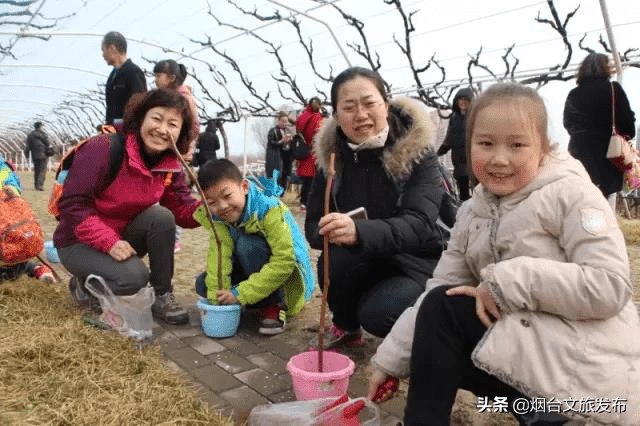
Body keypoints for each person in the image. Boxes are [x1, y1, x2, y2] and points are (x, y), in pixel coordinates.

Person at [368, 83, 640, 425]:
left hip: (590, 368)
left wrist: (507, 280)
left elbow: (610, 286)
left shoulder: (572, 194)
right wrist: (389, 362)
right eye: (485, 143)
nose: (499, 158)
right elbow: (438, 293)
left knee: (446, 311)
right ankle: (535, 413)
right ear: (468, 147)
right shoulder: (472, 212)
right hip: (535, 352)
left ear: (542, 149)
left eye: (517, 145)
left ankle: (553, 414)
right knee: (441, 308)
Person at [304, 67, 449, 347]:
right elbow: (312, 225)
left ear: (386, 104)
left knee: (380, 314)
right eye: (349, 107)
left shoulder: (417, 153)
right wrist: (327, 230)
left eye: (369, 103)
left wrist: (359, 232)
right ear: (336, 115)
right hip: (365, 258)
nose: (361, 115)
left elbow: (419, 224)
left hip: (414, 261)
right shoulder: (332, 161)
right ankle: (346, 327)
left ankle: (423, 339)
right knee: (330, 263)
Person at [53, 88, 202, 325]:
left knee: (162, 217)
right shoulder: (104, 148)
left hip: (119, 236)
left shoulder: (169, 165)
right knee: (134, 277)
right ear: (141, 117)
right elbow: (73, 205)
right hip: (78, 241)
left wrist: (212, 207)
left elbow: (181, 207)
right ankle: (84, 285)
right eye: (156, 118)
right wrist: (108, 242)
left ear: (180, 132)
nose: (162, 129)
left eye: (173, 124)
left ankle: (162, 294)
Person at [193, 159, 315, 335]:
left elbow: (284, 262)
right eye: (211, 202)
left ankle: (273, 306)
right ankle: (250, 301)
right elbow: (218, 257)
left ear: (244, 187)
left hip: (286, 280)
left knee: (247, 244)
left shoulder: (269, 210)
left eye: (227, 196)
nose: (222, 207)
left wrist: (239, 293)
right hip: (250, 271)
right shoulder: (217, 219)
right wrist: (216, 298)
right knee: (203, 284)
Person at [564, 52, 635, 210]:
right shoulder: (612, 89)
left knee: (580, 203)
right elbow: (627, 123)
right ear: (606, 68)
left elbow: (568, 124)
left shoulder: (574, 94)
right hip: (607, 157)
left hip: (579, 155)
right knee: (602, 204)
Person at [154, 58, 200, 252]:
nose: (155, 79)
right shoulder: (167, 95)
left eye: (158, 75)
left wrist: (185, 147)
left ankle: (175, 238)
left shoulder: (183, 97)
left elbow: (194, 126)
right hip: (164, 153)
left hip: (174, 154)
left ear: (171, 77)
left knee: (174, 195)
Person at [0, 154, 55, 284]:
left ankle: (33, 269)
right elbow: (15, 189)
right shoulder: (6, 169)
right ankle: (38, 269)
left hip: (7, 248)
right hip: (22, 241)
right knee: (18, 254)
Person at [101, 31, 147, 125]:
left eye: (103, 50)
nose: (103, 55)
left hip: (128, 130)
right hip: (114, 129)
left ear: (112, 48)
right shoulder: (113, 75)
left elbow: (140, 104)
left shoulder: (133, 72)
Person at [437, 88, 474, 201]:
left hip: (473, 158)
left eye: (466, 100)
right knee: (463, 190)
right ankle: (465, 212)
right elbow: (449, 137)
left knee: (478, 188)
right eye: (460, 100)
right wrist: (440, 151)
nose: (463, 102)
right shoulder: (454, 118)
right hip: (458, 160)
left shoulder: (475, 117)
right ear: (456, 102)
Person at [295, 97, 323, 209]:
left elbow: (298, 129)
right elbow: (318, 134)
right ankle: (308, 202)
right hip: (313, 152)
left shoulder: (302, 116)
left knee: (306, 180)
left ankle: (303, 201)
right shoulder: (318, 118)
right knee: (312, 180)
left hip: (303, 151)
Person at [266, 112, 293, 192]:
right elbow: (271, 143)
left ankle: (282, 192)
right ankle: (275, 191)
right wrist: (281, 141)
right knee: (277, 175)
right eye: (283, 121)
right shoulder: (273, 131)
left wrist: (290, 140)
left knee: (285, 175)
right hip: (276, 157)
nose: (285, 123)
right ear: (278, 121)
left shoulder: (288, 131)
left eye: (286, 122)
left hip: (286, 157)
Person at [24, 121, 52, 191]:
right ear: (41, 127)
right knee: (42, 170)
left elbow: (27, 146)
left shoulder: (30, 135)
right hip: (44, 155)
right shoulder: (43, 134)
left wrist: (27, 155)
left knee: (36, 170)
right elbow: (47, 143)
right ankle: (40, 185)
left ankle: (36, 185)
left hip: (35, 155)